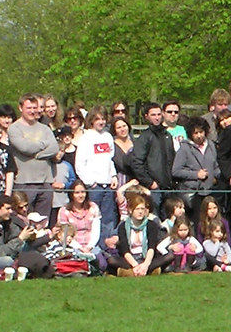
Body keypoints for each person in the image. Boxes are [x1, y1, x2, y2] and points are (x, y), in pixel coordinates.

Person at [8, 94, 59, 221]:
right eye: (29, 108)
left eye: (35, 108)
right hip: (24, 182)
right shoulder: (14, 128)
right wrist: (43, 144)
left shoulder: (44, 128)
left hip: (45, 182)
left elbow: (54, 148)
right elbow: (25, 148)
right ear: (20, 108)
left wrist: (38, 155)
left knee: (43, 221)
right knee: (23, 219)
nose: (32, 111)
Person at [75, 107, 119, 242]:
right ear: (92, 121)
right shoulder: (86, 138)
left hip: (107, 185)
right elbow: (80, 164)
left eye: (103, 119)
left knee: (108, 218)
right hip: (94, 187)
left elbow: (110, 159)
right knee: (93, 218)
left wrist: (113, 176)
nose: (101, 122)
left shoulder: (107, 137)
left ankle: (108, 246)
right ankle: (96, 246)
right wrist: (90, 182)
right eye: (97, 119)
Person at [107, 192, 172, 277]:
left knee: (170, 256)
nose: (140, 212)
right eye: (137, 209)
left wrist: (145, 265)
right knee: (111, 260)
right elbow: (125, 250)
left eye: (142, 209)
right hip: (130, 259)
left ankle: (131, 273)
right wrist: (136, 265)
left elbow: (151, 248)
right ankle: (147, 271)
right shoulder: (123, 226)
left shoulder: (151, 225)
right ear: (130, 210)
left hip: (147, 258)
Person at [131, 102, 175, 213]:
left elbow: (172, 159)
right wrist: (149, 182)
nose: (157, 118)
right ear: (146, 117)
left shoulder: (167, 136)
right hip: (154, 188)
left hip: (168, 187)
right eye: (153, 115)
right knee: (154, 219)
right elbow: (136, 162)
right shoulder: (145, 137)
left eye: (159, 114)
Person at [172, 117, 219, 215]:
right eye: (195, 133)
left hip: (210, 192)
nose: (199, 136)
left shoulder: (211, 146)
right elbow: (176, 171)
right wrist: (196, 175)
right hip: (193, 193)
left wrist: (215, 176)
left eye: (201, 132)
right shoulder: (184, 148)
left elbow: (216, 166)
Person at [57, 181, 105, 270]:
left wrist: (89, 247)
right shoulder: (64, 211)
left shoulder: (93, 207)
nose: (81, 195)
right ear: (71, 194)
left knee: (102, 265)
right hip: (73, 246)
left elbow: (96, 230)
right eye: (77, 193)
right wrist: (79, 248)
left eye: (83, 192)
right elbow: (65, 234)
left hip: (90, 245)